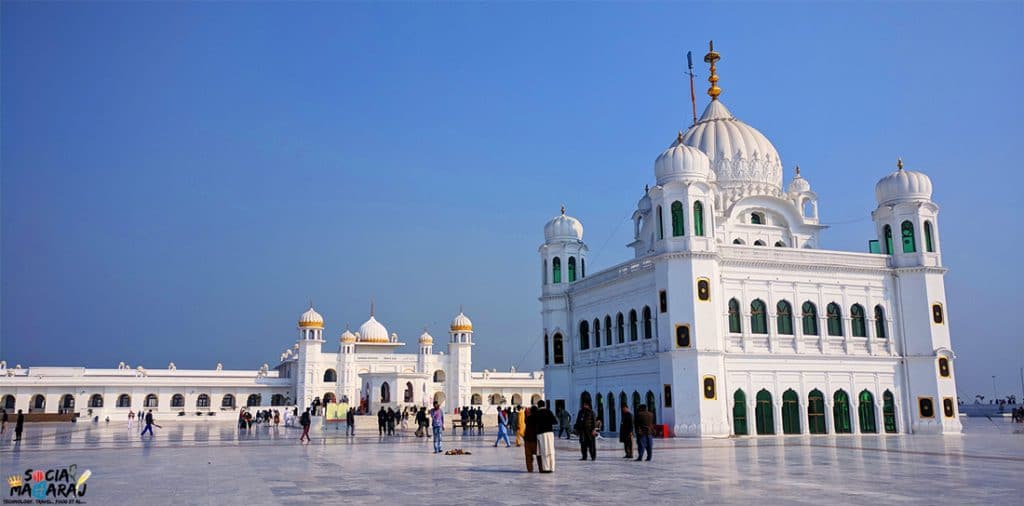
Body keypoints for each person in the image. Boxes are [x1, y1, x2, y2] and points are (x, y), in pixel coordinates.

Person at [532, 401, 557, 473]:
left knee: (544, 451)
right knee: (551, 450)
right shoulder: (549, 411)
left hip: (541, 434)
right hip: (550, 433)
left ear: (538, 406)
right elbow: (555, 421)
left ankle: (546, 468)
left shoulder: (537, 413)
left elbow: (534, 423)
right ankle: (552, 467)